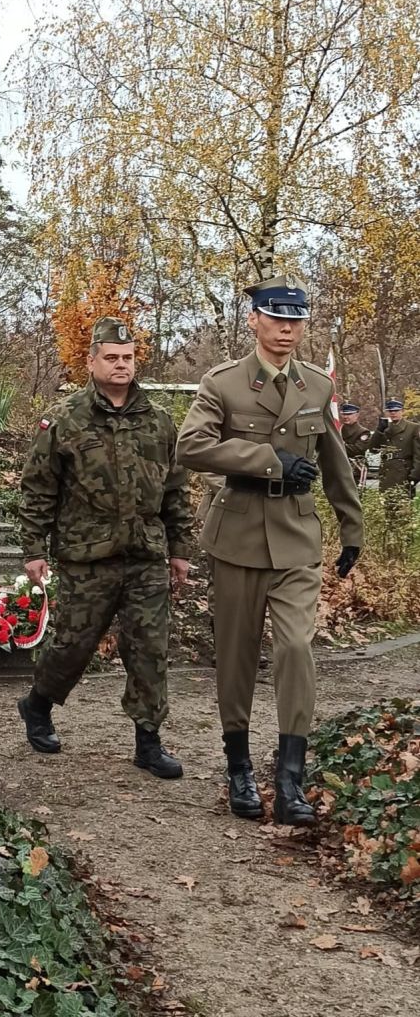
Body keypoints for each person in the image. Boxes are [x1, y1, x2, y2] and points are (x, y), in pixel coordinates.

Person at [176, 274, 363, 826]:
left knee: (296, 649)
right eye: (276, 318)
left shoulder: (317, 387)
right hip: (237, 537)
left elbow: (334, 462)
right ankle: (238, 768)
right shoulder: (224, 383)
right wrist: (267, 461)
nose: (286, 330)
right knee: (235, 658)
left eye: (295, 320)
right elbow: (192, 446)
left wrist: (352, 529)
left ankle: (289, 779)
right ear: (254, 319)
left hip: (297, 538)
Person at [17, 317, 193, 778]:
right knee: (73, 646)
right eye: (111, 358)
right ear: (92, 361)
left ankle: (149, 741)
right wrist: (34, 549)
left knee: (149, 649)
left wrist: (180, 549)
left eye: (128, 358)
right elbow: (38, 489)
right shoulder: (65, 419)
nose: (121, 365)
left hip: (145, 557)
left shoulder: (157, 421)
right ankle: (37, 705)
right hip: (86, 556)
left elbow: (174, 490)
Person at [367, 398, 420, 496]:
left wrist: (414, 475)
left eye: (396, 411)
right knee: (387, 505)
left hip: (404, 472)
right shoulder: (385, 428)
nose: (393, 413)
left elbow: (418, 454)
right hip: (387, 471)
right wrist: (379, 432)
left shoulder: (413, 428)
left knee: (402, 507)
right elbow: (373, 449)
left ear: (402, 411)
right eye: (390, 411)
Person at [339, 403, 371, 484]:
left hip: (355, 469)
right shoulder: (338, 430)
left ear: (356, 415)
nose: (346, 417)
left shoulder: (363, 432)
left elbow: (358, 449)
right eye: (344, 414)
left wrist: (339, 445)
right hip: (338, 467)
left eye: (349, 414)